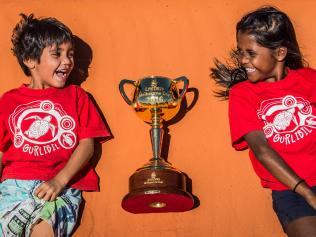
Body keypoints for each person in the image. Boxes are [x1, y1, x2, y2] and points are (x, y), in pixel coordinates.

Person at [0, 13, 110, 237]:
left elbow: (87, 145)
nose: (68, 61)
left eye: (70, 54)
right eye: (56, 54)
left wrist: (59, 181)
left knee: (44, 231)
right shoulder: (9, 101)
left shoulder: (76, 96)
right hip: (14, 186)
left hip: (62, 187)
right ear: (31, 61)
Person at [211, 6, 316, 237]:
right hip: (292, 192)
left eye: (251, 53)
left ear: (279, 53)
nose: (243, 60)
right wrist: (308, 194)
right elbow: (261, 150)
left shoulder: (311, 81)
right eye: (241, 52)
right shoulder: (242, 95)